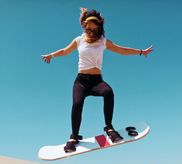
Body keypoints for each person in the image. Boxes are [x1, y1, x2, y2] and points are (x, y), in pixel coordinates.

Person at [42, 8, 153, 152]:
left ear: (99, 28)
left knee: (108, 92)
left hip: (96, 81)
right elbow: (64, 51)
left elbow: (123, 50)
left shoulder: (103, 42)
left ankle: (109, 127)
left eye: (94, 29)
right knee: (77, 103)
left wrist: (141, 52)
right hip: (81, 81)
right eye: (88, 29)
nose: (91, 32)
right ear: (85, 27)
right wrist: (52, 55)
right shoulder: (78, 40)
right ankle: (74, 136)